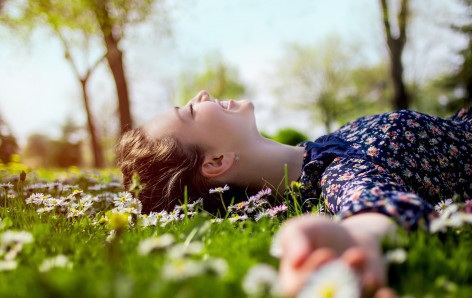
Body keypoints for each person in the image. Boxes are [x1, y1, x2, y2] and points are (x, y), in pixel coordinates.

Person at [117, 90, 471, 297]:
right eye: (191, 110)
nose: (203, 95)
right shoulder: (336, 174)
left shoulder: (324, 149)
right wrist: (355, 242)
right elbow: (371, 207)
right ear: (215, 163)